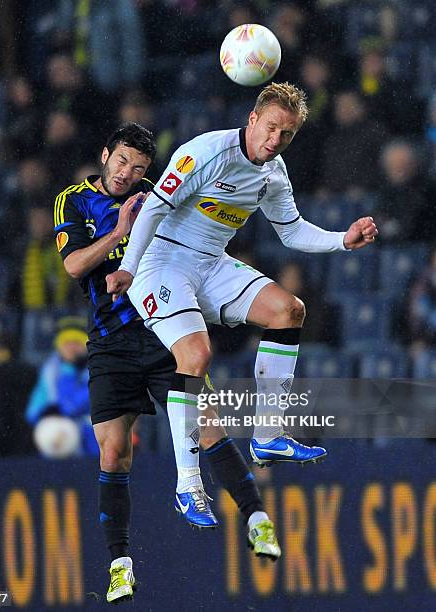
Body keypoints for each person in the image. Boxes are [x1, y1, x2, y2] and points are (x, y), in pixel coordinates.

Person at [107, 82, 378, 508]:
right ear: (252, 119)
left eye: (286, 134)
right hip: (161, 263)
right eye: (270, 128)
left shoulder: (274, 172)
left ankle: (268, 437)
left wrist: (342, 239)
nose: (275, 141)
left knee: (289, 310)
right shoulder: (207, 152)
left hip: (212, 262)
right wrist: (126, 267)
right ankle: (188, 485)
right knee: (195, 357)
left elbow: (290, 230)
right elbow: (155, 208)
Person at [55, 122, 280, 604]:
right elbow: (74, 266)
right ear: (104, 154)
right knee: (114, 452)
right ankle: (119, 564)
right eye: (121, 161)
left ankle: (257, 519)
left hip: (162, 329)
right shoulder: (74, 200)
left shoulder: (161, 196)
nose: (126, 173)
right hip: (110, 343)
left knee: (208, 424)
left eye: (137, 167)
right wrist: (119, 230)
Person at [26, 316, 98, 456]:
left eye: (76, 342)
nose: (71, 348)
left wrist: (70, 371)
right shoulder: (50, 371)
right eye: (66, 343)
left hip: (92, 437)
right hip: (59, 439)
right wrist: (44, 412)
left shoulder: (99, 368)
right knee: (51, 429)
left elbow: (72, 405)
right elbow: (32, 412)